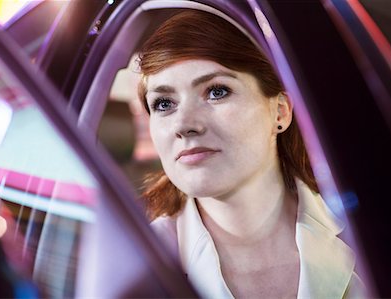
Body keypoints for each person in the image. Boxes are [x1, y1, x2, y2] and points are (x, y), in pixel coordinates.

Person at [137, 9, 365, 298]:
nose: (184, 125)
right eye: (163, 103)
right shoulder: (133, 262)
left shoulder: (375, 235)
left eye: (217, 91)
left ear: (280, 111)